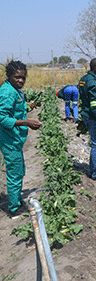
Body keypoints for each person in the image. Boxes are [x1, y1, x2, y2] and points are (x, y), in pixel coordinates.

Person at [0, 60, 42, 214]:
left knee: (18, 170)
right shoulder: (7, 92)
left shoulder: (14, 90)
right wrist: (26, 122)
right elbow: (2, 117)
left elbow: (14, 109)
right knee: (15, 172)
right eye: (17, 77)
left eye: (23, 77)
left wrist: (26, 106)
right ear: (9, 76)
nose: (21, 80)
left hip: (14, 138)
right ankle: (14, 209)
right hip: (9, 139)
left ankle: (16, 199)